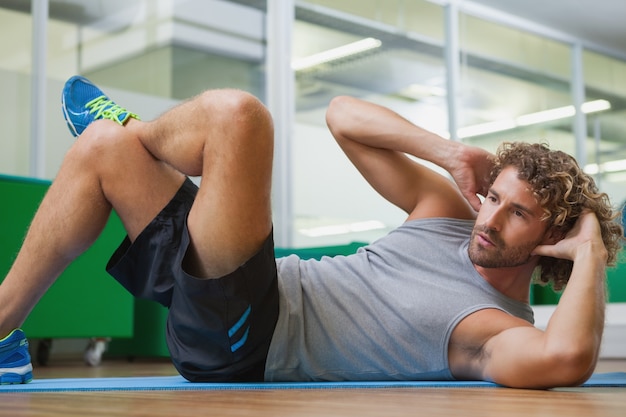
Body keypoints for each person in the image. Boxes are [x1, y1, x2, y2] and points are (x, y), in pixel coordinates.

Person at [0, 76, 622, 388]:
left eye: (517, 213)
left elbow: (566, 357)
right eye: (493, 197)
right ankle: (3, 339)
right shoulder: (444, 213)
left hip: (247, 337)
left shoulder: (492, 330)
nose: (488, 218)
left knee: (238, 118)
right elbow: (342, 116)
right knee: (103, 148)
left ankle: (139, 127)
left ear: (553, 239)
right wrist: (448, 150)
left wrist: (590, 247)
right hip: (233, 288)